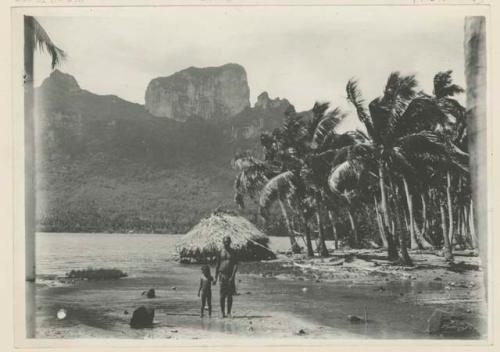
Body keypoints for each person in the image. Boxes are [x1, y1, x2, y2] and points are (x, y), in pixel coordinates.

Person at [214, 235, 238, 318]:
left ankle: (229, 312)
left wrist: (233, 276)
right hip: (222, 275)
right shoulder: (220, 251)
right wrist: (215, 278)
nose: (226, 243)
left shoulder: (233, 252)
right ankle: (222, 312)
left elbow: (235, 264)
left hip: (230, 275)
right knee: (222, 295)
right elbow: (217, 265)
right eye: (225, 242)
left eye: (228, 242)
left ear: (230, 242)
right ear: (223, 242)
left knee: (230, 295)